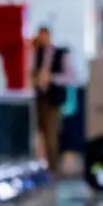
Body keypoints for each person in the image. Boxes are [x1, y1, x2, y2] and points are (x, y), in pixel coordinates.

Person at [30, 26, 72, 170]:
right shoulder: (35, 53)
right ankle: (39, 164)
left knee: (52, 135)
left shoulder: (60, 54)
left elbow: (70, 76)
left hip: (53, 100)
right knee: (37, 134)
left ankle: (53, 167)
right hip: (37, 99)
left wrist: (51, 78)